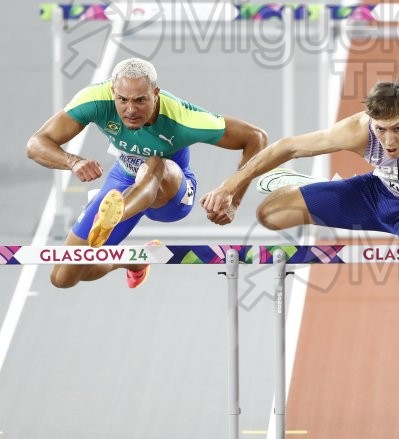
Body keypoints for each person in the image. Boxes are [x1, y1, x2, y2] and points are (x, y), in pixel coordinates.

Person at [201, 81, 399, 358]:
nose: (389, 140)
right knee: (269, 214)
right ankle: (294, 185)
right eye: (381, 130)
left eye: (398, 128)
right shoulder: (360, 129)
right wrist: (230, 187)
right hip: (372, 195)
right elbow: (289, 146)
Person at [26, 57, 267, 288]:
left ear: (155, 94)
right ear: (112, 93)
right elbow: (36, 144)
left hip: (169, 194)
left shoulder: (183, 118)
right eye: (123, 100)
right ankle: (132, 260)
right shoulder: (94, 100)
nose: (130, 109)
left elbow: (255, 138)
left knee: (154, 164)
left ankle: (115, 214)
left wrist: (233, 199)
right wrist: (72, 161)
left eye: (140, 100)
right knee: (63, 277)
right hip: (123, 181)